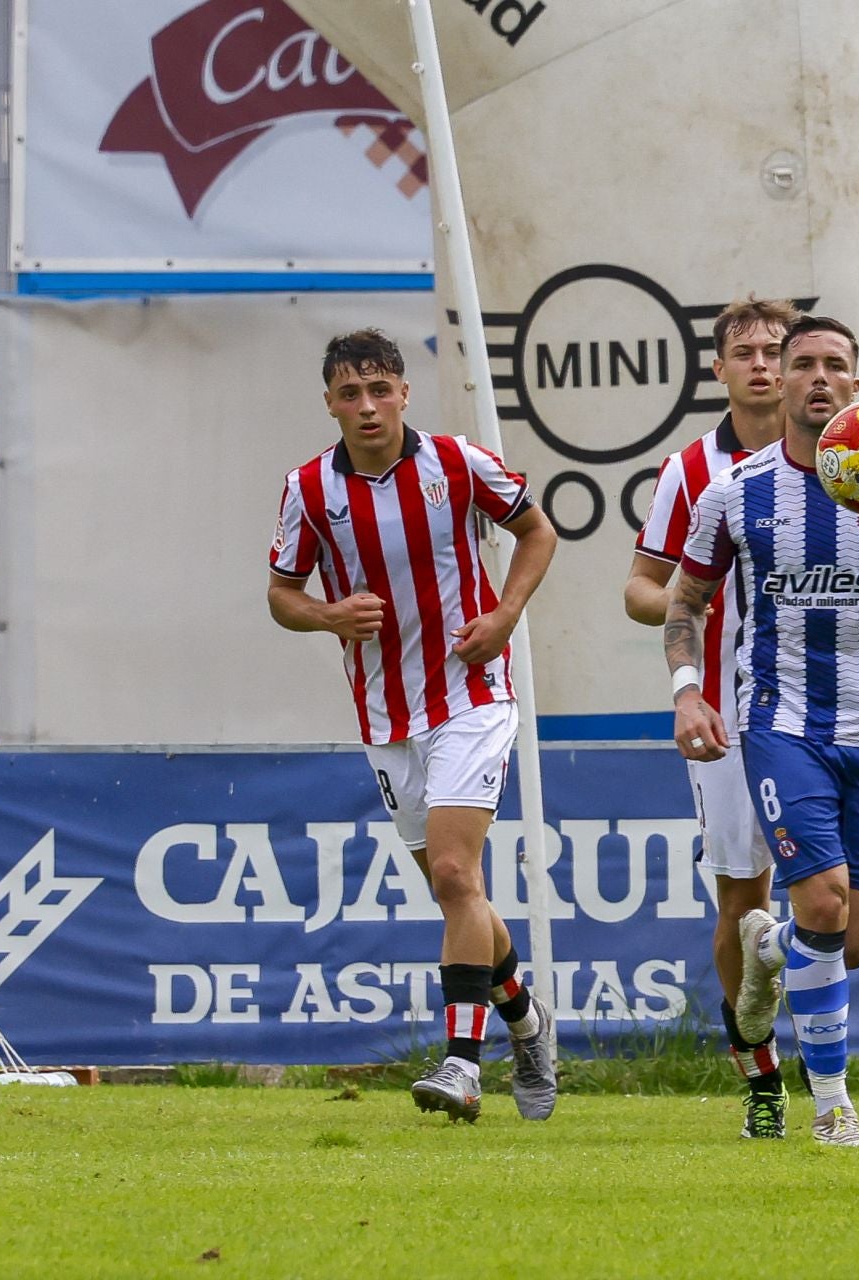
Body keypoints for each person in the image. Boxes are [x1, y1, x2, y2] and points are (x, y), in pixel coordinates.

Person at [664, 315, 859, 1148]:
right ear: (785, 382)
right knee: (826, 899)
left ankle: (769, 948)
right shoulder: (735, 490)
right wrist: (690, 694)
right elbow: (683, 602)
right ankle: (833, 1104)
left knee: (852, 940)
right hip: (779, 724)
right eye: (804, 364)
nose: (818, 377)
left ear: (855, 384)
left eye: (836, 364)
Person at [267, 329, 559, 1123]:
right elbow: (281, 594)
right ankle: (528, 1025)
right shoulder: (308, 489)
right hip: (387, 715)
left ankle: (462, 1065)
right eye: (349, 394)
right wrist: (328, 613)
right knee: (454, 891)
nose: (367, 406)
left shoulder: (458, 463)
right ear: (329, 402)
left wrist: (503, 615)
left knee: (459, 875)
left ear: (403, 392)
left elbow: (538, 532)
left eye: (380, 389)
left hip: (472, 693)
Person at [625, 295, 798, 1139]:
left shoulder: (853, 456)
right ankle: (761, 1080)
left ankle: (827, 1059)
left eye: (779, 350)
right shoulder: (693, 470)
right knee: (743, 897)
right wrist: (697, 596)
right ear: (721, 369)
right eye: (748, 352)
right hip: (727, 707)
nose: (764, 364)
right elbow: (640, 586)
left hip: (828, 700)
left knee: (835, 896)